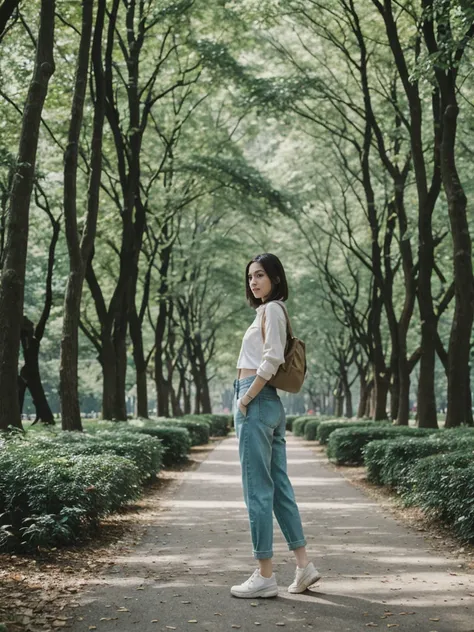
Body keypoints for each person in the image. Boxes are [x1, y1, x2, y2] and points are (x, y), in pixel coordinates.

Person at [231, 253, 320, 599]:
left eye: (261, 275)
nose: (254, 282)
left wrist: (245, 398)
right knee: (279, 487)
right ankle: (303, 566)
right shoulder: (270, 311)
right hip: (270, 405)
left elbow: (271, 359)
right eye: (250, 276)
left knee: (258, 490)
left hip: (256, 401)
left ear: (276, 279)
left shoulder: (271, 311)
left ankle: (265, 574)